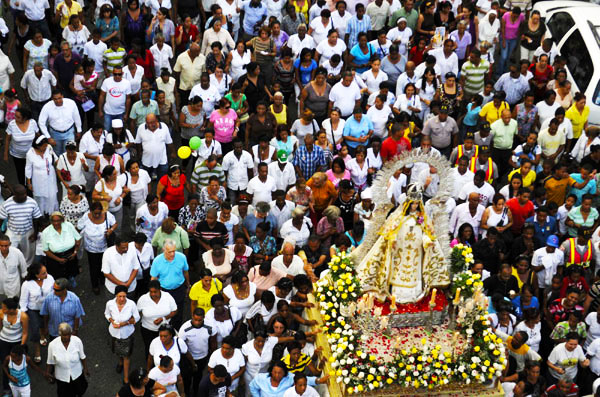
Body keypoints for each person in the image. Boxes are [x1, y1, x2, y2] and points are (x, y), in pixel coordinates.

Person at [104, 285, 139, 383]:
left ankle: (126, 378)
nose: (122, 299)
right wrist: (111, 321)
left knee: (126, 356)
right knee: (117, 350)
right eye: (120, 296)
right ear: (116, 295)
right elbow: (106, 314)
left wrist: (125, 323)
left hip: (126, 334)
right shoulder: (110, 304)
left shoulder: (131, 304)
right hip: (114, 333)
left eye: (124, 296)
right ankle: (120, 362)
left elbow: (136, 318)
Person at [45, 322, 89, 397]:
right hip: (62, 377)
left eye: (68, 334)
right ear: (59, 334)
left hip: (77, 374)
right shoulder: (52, 345)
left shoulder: (77, 341)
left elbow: (82, 357)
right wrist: (48, 373)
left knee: (79, 391)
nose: (66, 337)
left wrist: (85, 369)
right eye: (64, 335)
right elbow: (50, 362)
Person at [136, 279, 177, 356]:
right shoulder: (143, 299)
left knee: (165, 348)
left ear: (160, 289)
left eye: (155, 292)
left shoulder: (167, 297)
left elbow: (174, 311)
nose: (153, 294)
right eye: (151, 292)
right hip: (147, 330)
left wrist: (163, 318)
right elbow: (137, 312)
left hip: (165, 329)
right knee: (149, 348)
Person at [41, 212, 81, 283]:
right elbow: (46, 250)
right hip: (55, 258)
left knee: (71, 272)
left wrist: (75, 252)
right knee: (58, 278)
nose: (56, 223)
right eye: (54, 221)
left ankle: (71, 280)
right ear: (51, 221)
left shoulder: (68, 225)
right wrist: (58, 259)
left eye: (58, 220)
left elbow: (78, 238)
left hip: (71, 255)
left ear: (62, 220)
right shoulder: (46, 232)